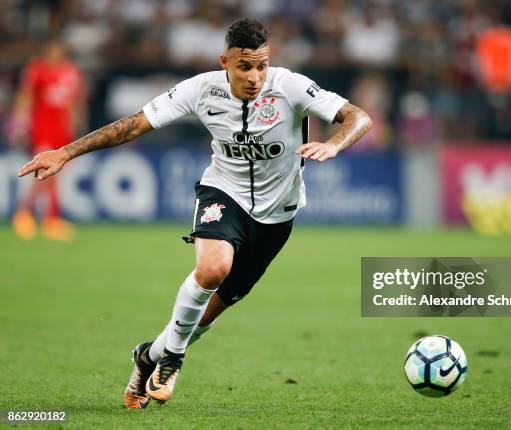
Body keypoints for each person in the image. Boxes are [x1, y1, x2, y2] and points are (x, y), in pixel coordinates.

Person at [17, 18, 372, 408]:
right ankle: (173, 358)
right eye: (245, 66)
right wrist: (65, 152)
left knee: (206, 315)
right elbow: (135, 124)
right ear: (225, 62)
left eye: (262, 65)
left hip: (277, 216)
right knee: (212, 269)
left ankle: (149, 355)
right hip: (223, 192)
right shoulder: (201, 90)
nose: (255, 76)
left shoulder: (290, 86)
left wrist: (336, 144)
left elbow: (358, 116)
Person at [11, 39, 85, 241]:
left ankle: (46, 218)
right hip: (42, 127)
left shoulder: (72, 72)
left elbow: (76, 102)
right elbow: (25, 97)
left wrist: (76, 125)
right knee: (46, 173)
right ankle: (28, 214)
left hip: (62, 130)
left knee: (55, 174)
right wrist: (18, 123)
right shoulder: (36, 70)